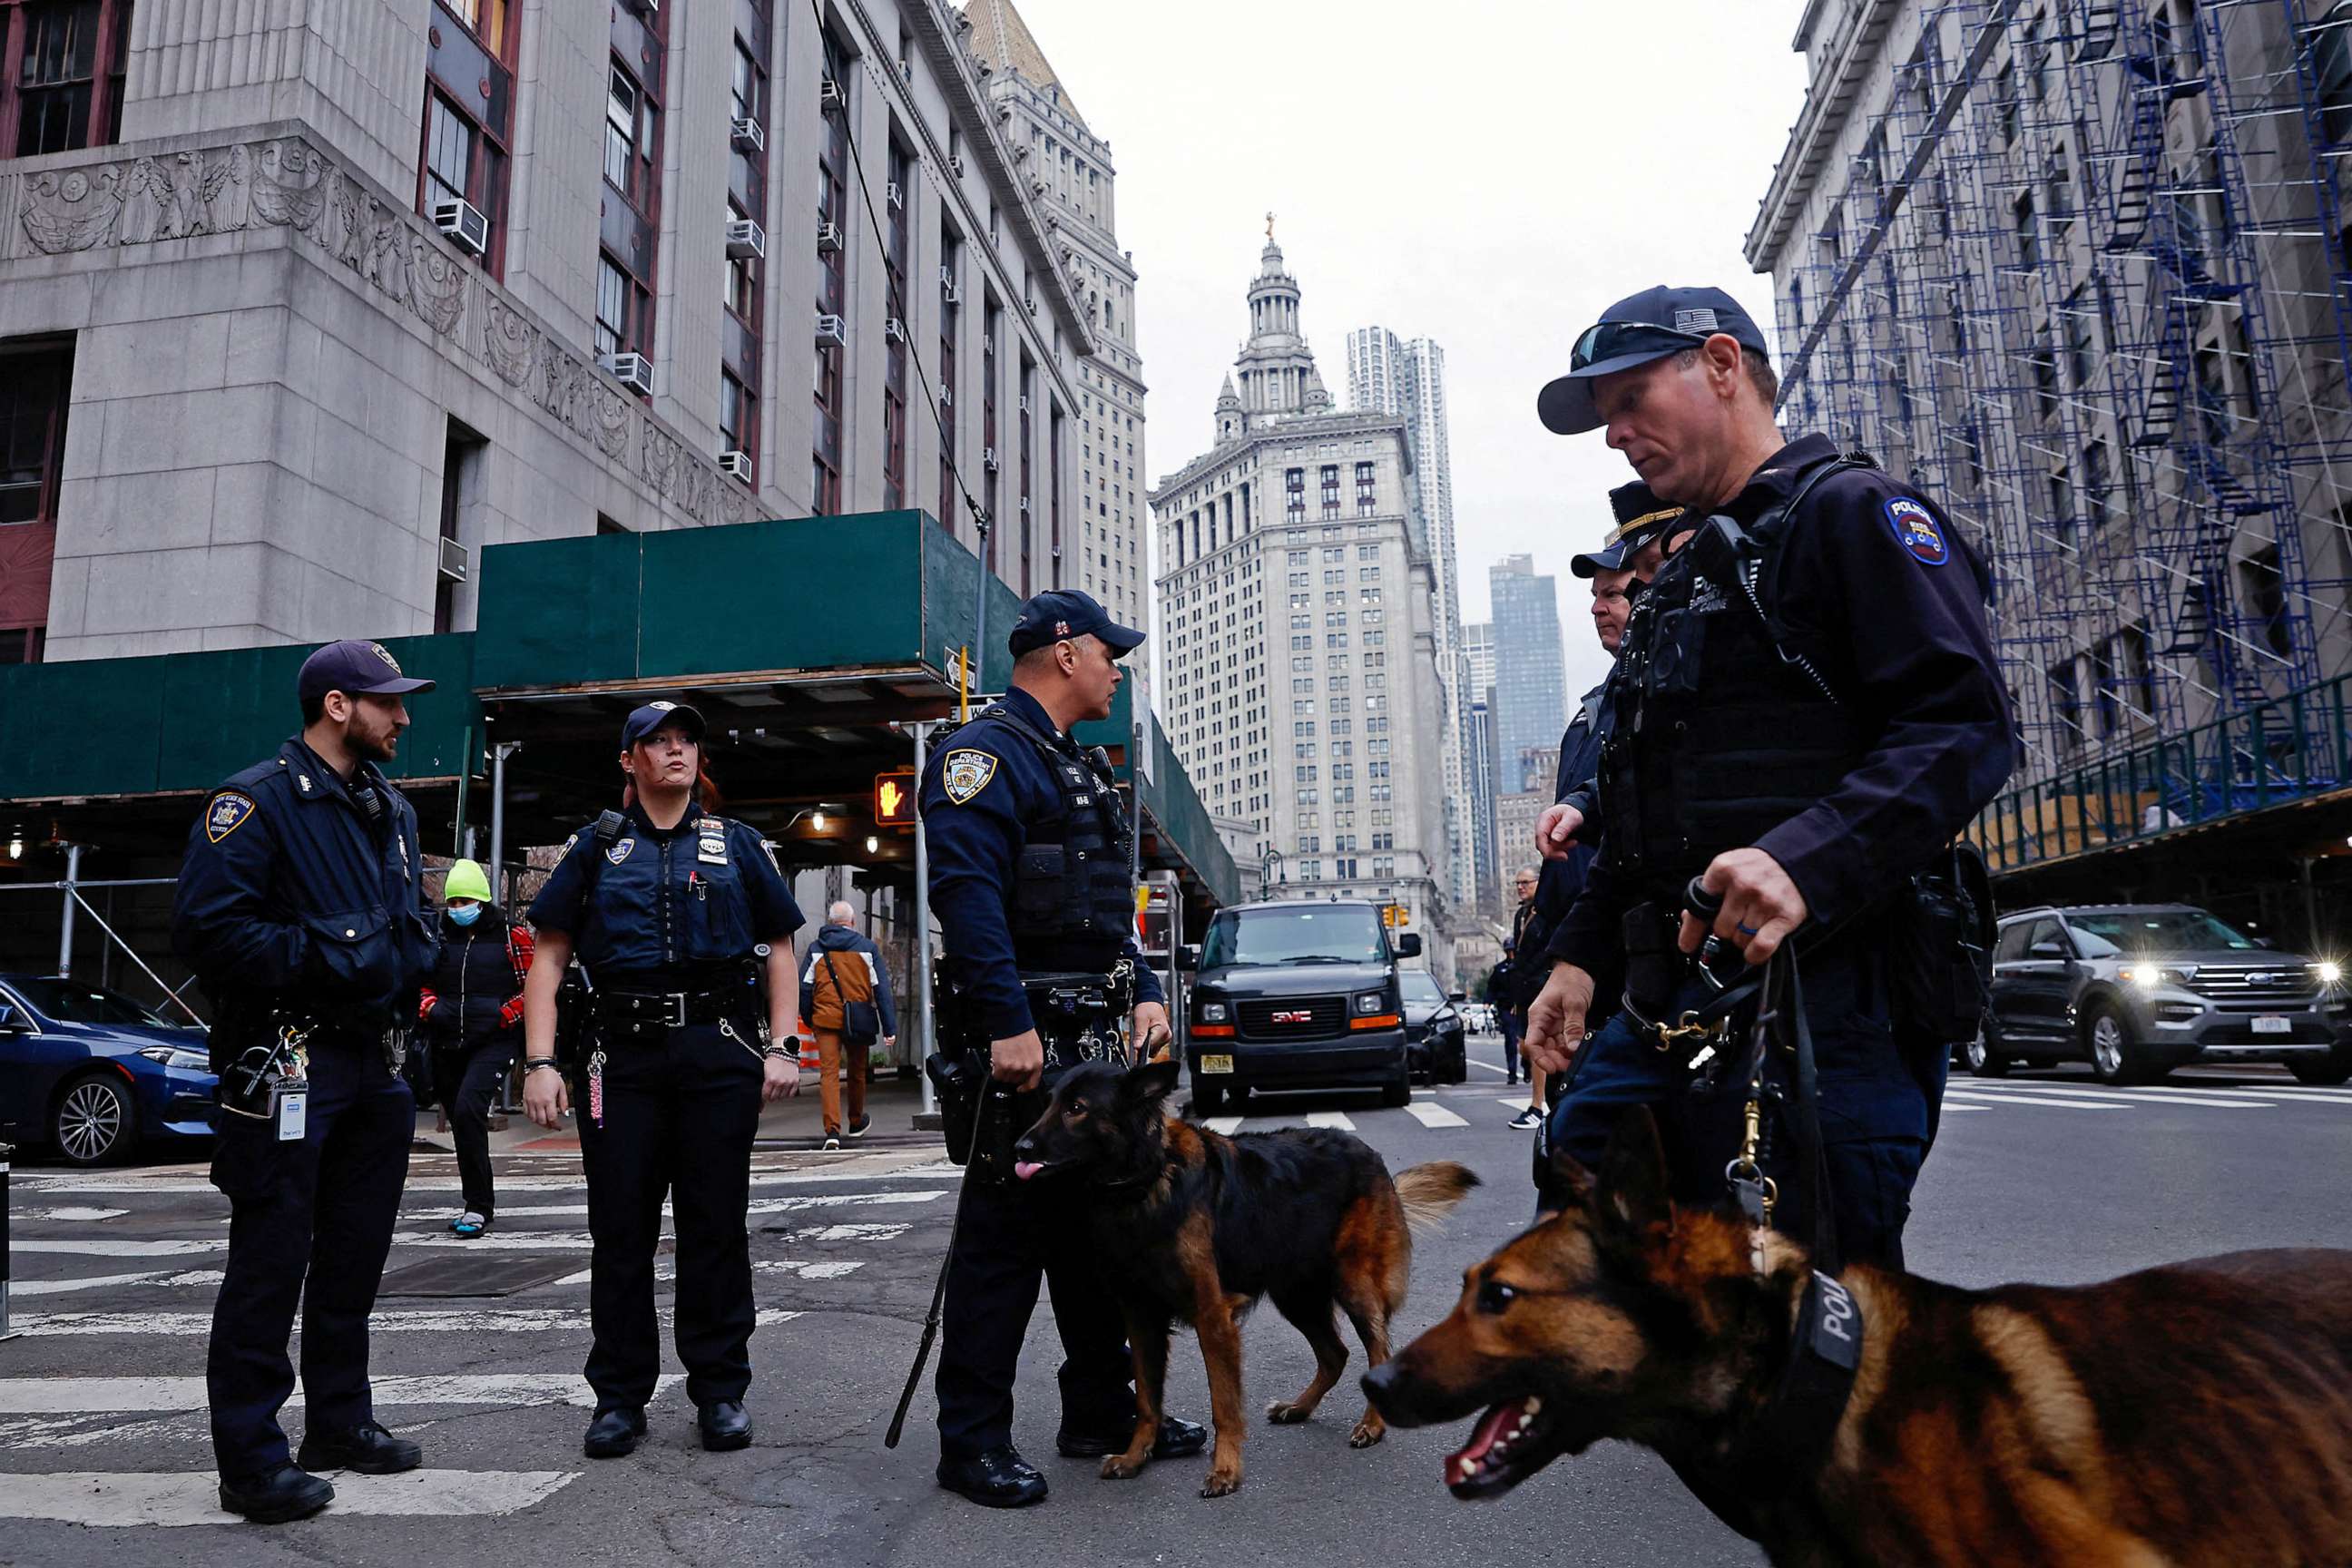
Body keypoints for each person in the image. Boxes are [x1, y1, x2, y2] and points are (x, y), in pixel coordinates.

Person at [1522, 284, 2011, 1269]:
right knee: (1587, 1212)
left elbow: (1963, 727)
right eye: (1604, 417)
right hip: (1671, 1007)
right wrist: (1577, 959)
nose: (1615, 435)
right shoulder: (1690, 578)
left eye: (1629, 399)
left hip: (1827, 1008)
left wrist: (1804, 860)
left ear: (1720, 364)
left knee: (1807, 1310)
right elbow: (1643, 808)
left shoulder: (1855, 514)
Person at [921, 588, 1197, 1509]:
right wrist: (1007, 1024)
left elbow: (1099, 920)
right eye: (1109, 652)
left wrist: (1148, 995)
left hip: (1090, 1049)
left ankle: (1103, 1412)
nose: (1118, 668)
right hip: (1023, 1049)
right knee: (1003, 1245)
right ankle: (970, 1442)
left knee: (1095, 1244)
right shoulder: (980, 756)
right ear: (1066, 652)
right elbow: (967, 903)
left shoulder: (1074, 765)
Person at [171, 639, 439, 1524]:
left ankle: (339, 1423)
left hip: (376, 1063)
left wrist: (402, 960)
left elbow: (408, 927)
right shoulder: (252, 804)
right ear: (336, 706)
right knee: (272, 1259)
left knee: (354, 1257)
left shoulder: (391, 809)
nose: (403, 716)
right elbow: (212, 935)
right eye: (387, 702)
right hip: (283, 1058)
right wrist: (346, 952)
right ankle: (250, 1460)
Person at [520, 701, 805, 1459]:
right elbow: (548, 956)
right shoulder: (595, 846)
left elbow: (778, 947)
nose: (676, 752)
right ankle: (618, 1398)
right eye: (658, 742)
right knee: (620, 1233)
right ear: (629, 761)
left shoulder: (739, 846)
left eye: (686, 741)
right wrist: (542, 1063)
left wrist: (784, 1044)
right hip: (621, 1058)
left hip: (717, 1054)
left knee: (714, 1229)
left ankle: (720, 1392)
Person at [417, 858, 533, 1236]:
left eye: (464, 900)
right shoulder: (437, 938)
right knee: (461, 1119)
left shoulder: (512, 937)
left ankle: (478, 1205)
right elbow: (420, 979)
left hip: (494, 1040)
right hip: (447, 1039)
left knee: (469, 1109)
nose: (457, 909)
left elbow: (534, 986)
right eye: (451, 902)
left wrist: (505, 1016)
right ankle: (478, 1198)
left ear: (481, 901)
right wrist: (430, 1007)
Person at [799, 900, 899, 1150]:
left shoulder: (815, 949)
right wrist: (890, 1028)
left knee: (829, 1075)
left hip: (825, 1019)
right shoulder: (867, 949)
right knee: (857, 1073)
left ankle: (832, 1131)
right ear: (852, 923)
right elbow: (882, 990)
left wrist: (810, 1018)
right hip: (859, 1019)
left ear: (831, 922)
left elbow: (804, 988)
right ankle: (856, 1122)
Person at [1503, 873, 1543, 1128]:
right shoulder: (1520, 915)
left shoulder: (1549, 911)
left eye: (1525, 882)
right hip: (1524, 990)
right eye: (1517, 883)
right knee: (1524, 1047)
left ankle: (1538, 1108)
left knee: (1538, 1047)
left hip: (1542, 986)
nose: (1520, 887)